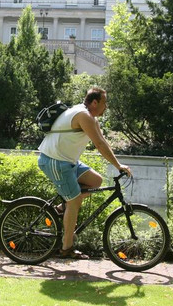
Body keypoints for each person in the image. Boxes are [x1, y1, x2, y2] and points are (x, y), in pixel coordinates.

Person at [37, 87, 132, 259]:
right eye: (104, 103)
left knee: (96, 181)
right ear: (94, 102)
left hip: (68, 161)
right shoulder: (83, 116)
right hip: (55, 161)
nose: (106, 107)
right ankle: (66, 248)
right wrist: (118, 166)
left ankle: (61, 209)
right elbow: (100, 146)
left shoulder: (91, 118)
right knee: (74, 202)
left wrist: (118, 163)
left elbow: (103, 141)